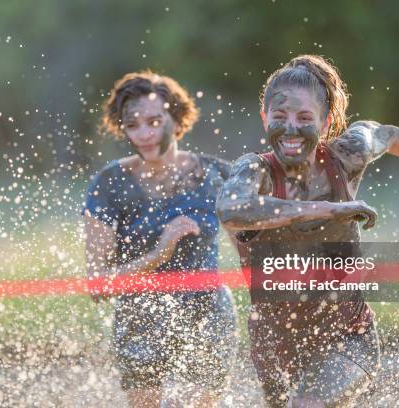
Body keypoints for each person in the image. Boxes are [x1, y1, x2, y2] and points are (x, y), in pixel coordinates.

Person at [216, 54, 399, 407]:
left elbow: (389, 135)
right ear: (264, 118)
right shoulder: (253, 169)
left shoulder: (346, 157)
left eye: (305, 118)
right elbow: (232, 209)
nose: (290, 128)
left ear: (326, 121)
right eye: (279, 117)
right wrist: (329, 209)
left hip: (347, 338)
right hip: (274, 346)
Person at [81, 70, 237, 407]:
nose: (144, 134)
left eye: (154, 121)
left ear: (177, 119)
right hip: (140, 318)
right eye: (132, 124)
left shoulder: (216, 175)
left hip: (207, 312)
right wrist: (158, 253)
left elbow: (255, 250)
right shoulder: (109, 183)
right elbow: (98, 287)